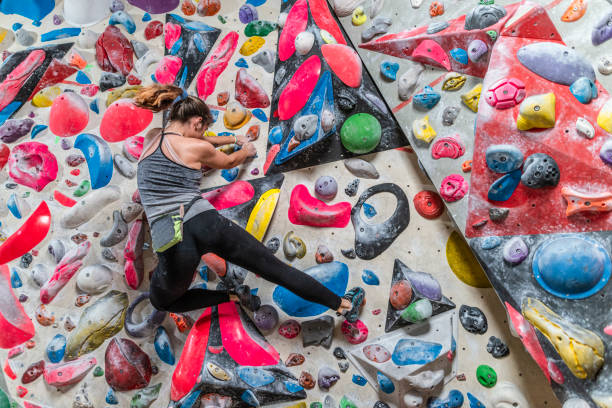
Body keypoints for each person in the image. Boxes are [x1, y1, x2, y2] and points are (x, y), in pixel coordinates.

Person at [134, 84, 365, 322]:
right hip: (203, 222)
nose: (204, 135)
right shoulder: (197, 146)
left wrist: (232, 136)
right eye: (203, 129)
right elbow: (228, 161)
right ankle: (344, 306)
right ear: (196, 122)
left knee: (161, 300)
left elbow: (200, 140)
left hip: (171, 239)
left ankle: (232, 297)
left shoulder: (151, 139)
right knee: (275, 270)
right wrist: (244, 149)